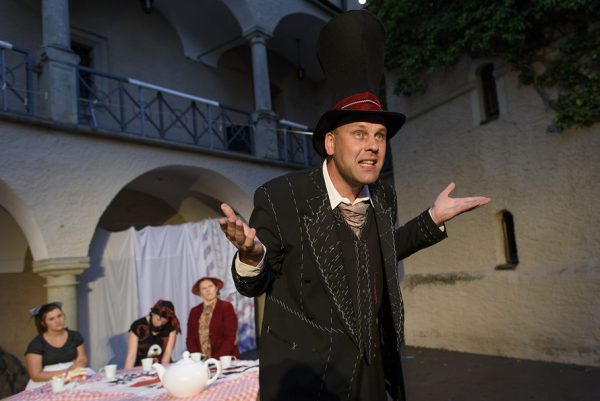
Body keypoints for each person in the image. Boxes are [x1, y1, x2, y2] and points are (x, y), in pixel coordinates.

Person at [219, 10, 491, 401]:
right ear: (330, 142)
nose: (374, 145)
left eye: (380, 135)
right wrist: (252, 255)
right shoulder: (281, 197)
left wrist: (432, 219)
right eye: (360, 133)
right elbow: (252, 285)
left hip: (374, 373)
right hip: (310, 382)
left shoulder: (383, 196)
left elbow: (382, 251)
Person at [24, 302, 88, 389]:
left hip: (74, 377)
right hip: (47, 382)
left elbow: (82, 359)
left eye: (59, 316)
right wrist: (66, 372)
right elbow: (35, 375)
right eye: (51, 319)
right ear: (43, 323)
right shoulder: (36, 344)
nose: (57, 321)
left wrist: (78, 368)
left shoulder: (75, 336)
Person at [186, 277, 240, 359]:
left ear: (216, 288)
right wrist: (197, 358)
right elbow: (190, 339)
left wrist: (215, 359)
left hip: (225, 359)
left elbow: (230, 337)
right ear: (200, 292)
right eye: (204, 288)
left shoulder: (226, 307)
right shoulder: (194, 311)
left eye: (210, 286)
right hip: (201, 362)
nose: (208, 290)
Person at [124, 299, 181, 368]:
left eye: (163, 322)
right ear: (153, 313)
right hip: (140, 368)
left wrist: (162, 371)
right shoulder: (138, 326)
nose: (159, 324)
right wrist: (127, 373)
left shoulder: (170, 328)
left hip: (161, 367)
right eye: (158, 319)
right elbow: (131, 356)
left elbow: (167, 354)